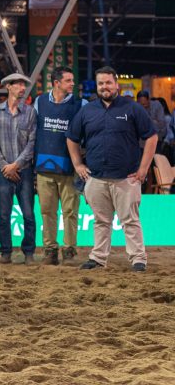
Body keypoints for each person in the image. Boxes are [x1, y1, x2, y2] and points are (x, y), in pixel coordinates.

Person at [68, 66, 156, 273]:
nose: (104, 87)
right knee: (101, 221)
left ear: (116, 84)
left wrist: (143, 169)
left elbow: (151, 137)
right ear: (97, 86)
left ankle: (138, 259)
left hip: (127, 178)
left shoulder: (133, 108)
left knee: (130, 221)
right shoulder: (87, 111)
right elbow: (72, 138)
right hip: (96, 178)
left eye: (108, 82)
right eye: (101, 83)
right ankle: (98, 258)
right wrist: (78, 164)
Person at [33, 66, 85, 266]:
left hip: (69, 168)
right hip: (44, 167)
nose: (73, 83)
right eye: (68, 80)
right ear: (56, 83)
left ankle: (69, 250)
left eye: (73, 80)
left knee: (70, 211)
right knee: (47, 211)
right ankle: (50, 250)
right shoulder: (39, 102)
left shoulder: (81, 104)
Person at [0, 73, 37, 265]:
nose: (22, 88)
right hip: (4, 171)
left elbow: (32, 143)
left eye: (24, 85)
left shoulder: (30, 112)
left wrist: (16, 165)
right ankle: (6, 252)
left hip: (24, 170)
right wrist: (5, 166)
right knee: (4, 215)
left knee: (28, 214)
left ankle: (29, 252)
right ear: (8, 86)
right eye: (18, 84)